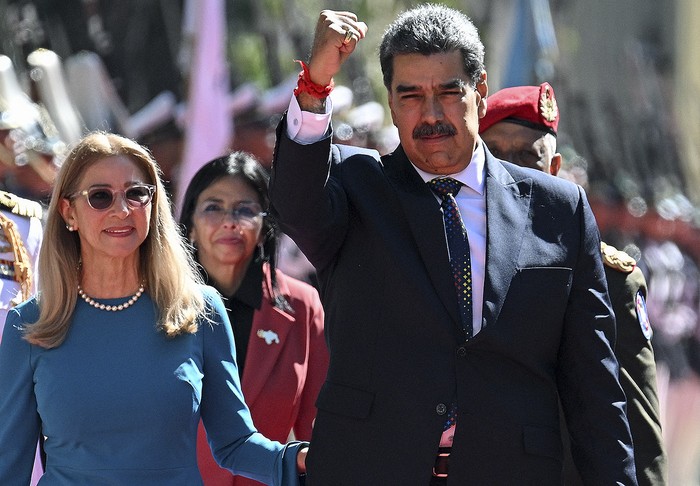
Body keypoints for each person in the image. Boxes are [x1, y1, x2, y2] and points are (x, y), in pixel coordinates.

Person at [269, 5, 636, 485]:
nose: (431, 114)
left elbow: (595, 387)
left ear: (479, 93)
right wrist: (315, 86)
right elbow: (295, 202)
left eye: (448, 92)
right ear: (392, 102)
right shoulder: (356, 186)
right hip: (370, 468)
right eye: (411, 96)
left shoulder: (558, 208)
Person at [0, 131, 307, 485]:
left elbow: (235, 443)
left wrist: (304, 458)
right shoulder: (30, 323)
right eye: (100, 197)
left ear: (153, 203)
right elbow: (10, 465)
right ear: (69, 212)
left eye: (136, 194)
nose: (122, 209)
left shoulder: (200, 310)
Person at [479, 82, 667, 485]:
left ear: (554, 169)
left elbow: (638, 427)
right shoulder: (457, 265)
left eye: (527, 156)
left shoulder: (608, 279)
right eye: (495, 154)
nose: (511, 168)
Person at [178, 151, 328, 485]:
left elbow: (316, 433)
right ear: (189, 225)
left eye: (245, 210)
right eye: (213, 207)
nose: (230, 221)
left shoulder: (303, 306)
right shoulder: (156, 304)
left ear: (264, 229)